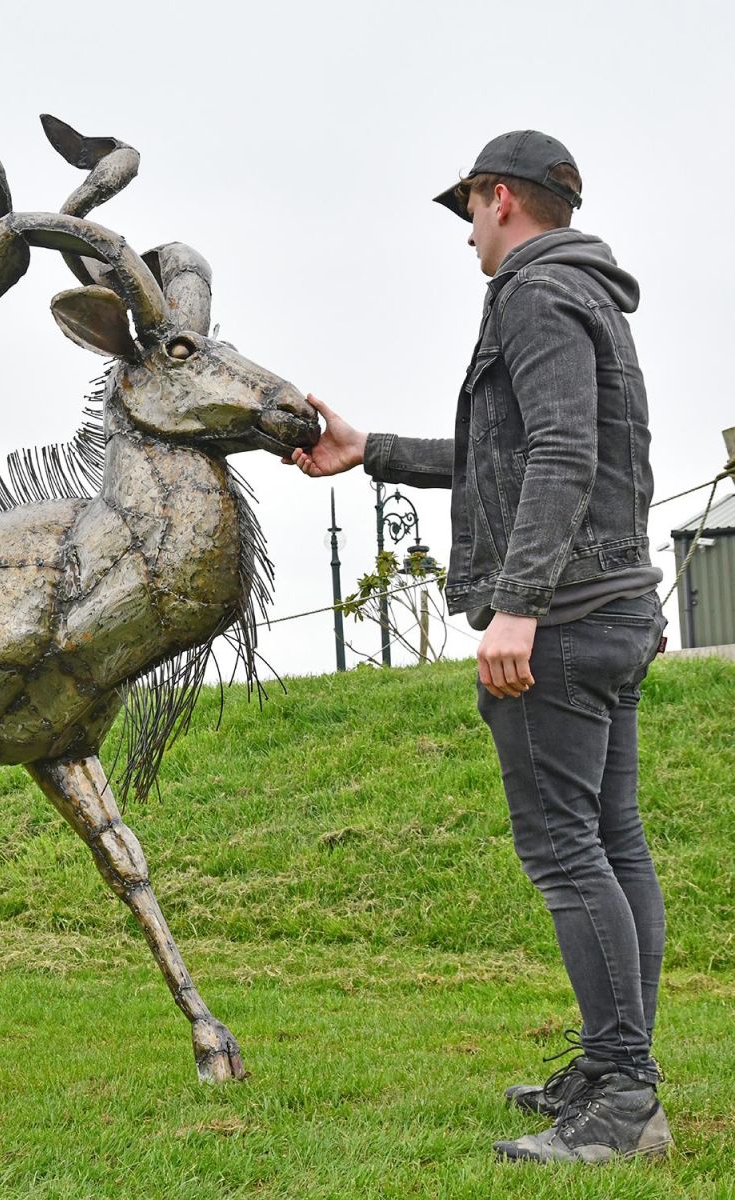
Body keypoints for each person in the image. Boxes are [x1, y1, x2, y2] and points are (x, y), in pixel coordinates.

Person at [287, 131, 671, 1163]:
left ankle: (625, 1098)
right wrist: (376, 454)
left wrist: (519, 605)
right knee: (613, 839)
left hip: (567, 615)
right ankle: (612, 1063)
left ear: (500, 198)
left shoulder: (533, 295)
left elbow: (558, 452)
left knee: (566, 850)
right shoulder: (588, 292)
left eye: (468, 213)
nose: (467, 237)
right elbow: (512, 452)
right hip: (616, 605)